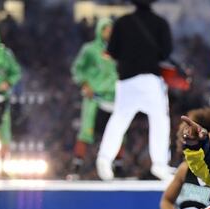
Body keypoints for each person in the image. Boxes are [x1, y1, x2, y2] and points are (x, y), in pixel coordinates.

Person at [96, 0, 174, 182]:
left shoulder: (122, 23)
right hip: (150, 79)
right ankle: (160, 164)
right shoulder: (160, 23)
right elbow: (166, 52)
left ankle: (104, 159)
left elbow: (112, 52)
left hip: (127, 81)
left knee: (119, 119)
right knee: (160, 120)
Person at [71, 18, 118, 178]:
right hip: (94, 98)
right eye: (106, 29)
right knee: (86, 132)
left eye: (111, 30)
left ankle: (118, 167)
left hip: (114, 98)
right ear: (100, 30)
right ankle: (76, 168)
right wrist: (85, 84)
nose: (109, 33)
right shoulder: (90, 50)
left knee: (118, 133)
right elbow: (77, 68)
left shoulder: (118, 50)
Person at [0, 27, 21, 167]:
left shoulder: (6, 55)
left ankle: (4, 164)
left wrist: (8, 82)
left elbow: (16, 72)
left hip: (2, 98)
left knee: (5, 132)